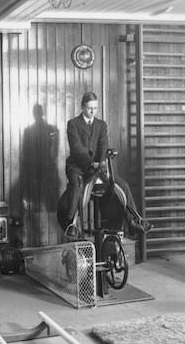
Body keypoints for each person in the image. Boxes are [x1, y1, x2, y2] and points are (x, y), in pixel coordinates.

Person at [60, 91, 152, 240]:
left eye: (95, 108)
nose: (92, 111)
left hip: (97, 168)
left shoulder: (101, 125)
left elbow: (103, 145)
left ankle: (134, 221)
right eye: (90, 108)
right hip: (77, 167)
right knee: (77, 187)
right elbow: (77, 149)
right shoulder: (73, 124)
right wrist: (92, 163)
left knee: (123, 185)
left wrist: (101, 162)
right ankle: (71, 224)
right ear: (83, 107)